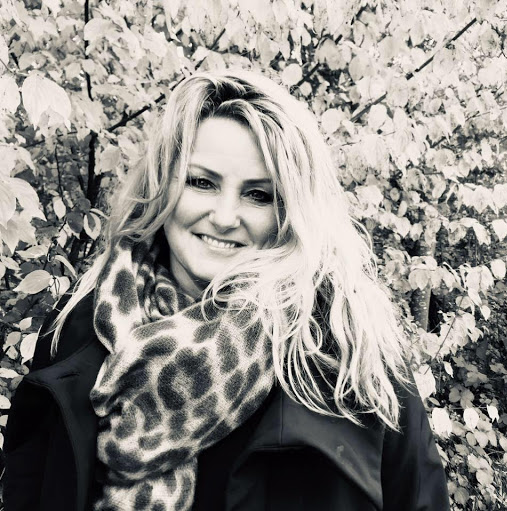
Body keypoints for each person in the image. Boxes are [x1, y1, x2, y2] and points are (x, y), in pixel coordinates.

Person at [4, 69, 450, 511]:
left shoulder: (349, 354)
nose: (223, 216)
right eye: (202, 182)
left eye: (258, 195)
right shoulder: (76, 327)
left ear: (292, 210)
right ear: (163, 184)